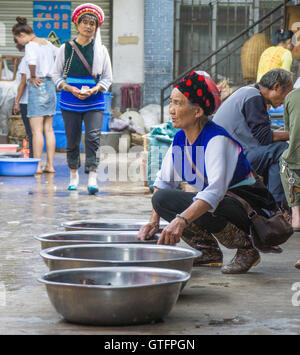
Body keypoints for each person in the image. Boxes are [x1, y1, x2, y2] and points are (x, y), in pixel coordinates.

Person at [138, 71, 280, 275]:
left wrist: (180, 220)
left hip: (247, 207)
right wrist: (153, 221)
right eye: (171, 102)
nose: (171, 110)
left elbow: (215, 191)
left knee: (209, 203)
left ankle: (247, 249)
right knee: (161, 199)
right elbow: (164, 182)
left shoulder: (217, 139)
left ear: (197, 112)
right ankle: (207, 251)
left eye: (178, 103)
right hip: (221, 201)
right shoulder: (180, 139)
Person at [52, 3, 112, 194]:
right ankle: (73, 175)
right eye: (84, 22)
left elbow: (108, 78)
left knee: (93, 138)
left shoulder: (101, 50)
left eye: (92, 23)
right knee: (72, 139)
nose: (88, 26)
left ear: (96, 27)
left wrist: (94, 89)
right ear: (77, 25)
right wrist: (70, 88)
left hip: (94, 101)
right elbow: (55, 76)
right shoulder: (65, 48)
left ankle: (92, 177)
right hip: (70, 100)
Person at [213, 69, 294, 209]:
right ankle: (276, 208)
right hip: (230, 161)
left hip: (228, 157)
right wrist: (293, 134)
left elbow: (261, 135)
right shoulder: (253, 96)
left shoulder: (248, 92)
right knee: (281, 150)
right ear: (276, 87)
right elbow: (265, 137)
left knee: (274, 152)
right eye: (287, 94)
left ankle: (269, 203)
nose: (285, 101)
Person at [12, 17, 57, 174]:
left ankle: (37, 166)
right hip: (50, 85)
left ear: (22, 34)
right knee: (49, 130)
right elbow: (59, 58)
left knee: (36, 131)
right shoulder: (48, 43)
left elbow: (31, 61)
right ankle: (50, 166)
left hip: (38, 85)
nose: (19, 42)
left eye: (18, 38)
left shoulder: (31, 45)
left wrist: (32, 76)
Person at [279, 88, 300, 246]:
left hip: (295, 161)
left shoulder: (292, 97)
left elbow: (288, 131)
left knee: (283, 161)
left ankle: (296, 214)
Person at [12, 39, 33, 157]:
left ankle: (33, 156)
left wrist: (17, 101)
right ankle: (35, 155)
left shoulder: (26, 60)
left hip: (26, 101)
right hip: (35, 99)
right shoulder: (34, 59)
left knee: (31, 132)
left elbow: (23, 83)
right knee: (36, 131)